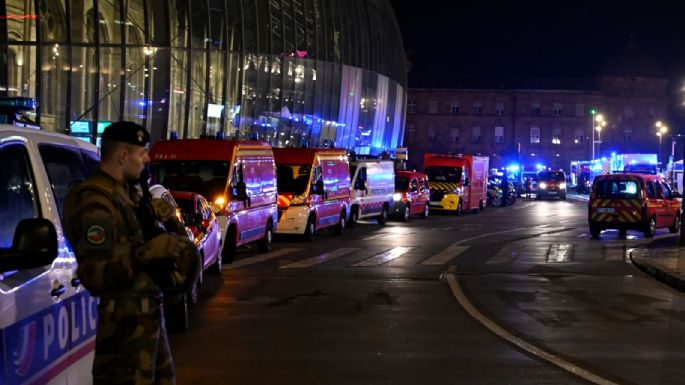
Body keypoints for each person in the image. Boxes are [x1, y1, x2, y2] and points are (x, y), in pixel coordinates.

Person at [63, 121, 197, 385]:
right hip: (123, 336)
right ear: (123, 156)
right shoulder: (95, 202)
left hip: (148, 323)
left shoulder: (129, 197)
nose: (146, 159)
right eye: (142, 153)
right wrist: (146, 253)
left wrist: (170, 221)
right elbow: (94, 276)